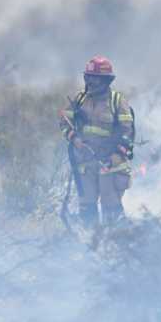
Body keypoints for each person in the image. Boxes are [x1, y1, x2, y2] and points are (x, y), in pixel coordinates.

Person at [60, 55, 135, 226]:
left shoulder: (117, 101)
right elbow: (64, 121)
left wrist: (115, 157)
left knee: (111, 206)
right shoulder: (80, 99)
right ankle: (88, 243)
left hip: (110, 163)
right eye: (88, 78)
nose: (90, 82)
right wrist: (75, 140)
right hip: (86, 163)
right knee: (87, 206)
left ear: (106, 81)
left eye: (95, 79)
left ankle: (117, 243)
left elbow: (127, 131)